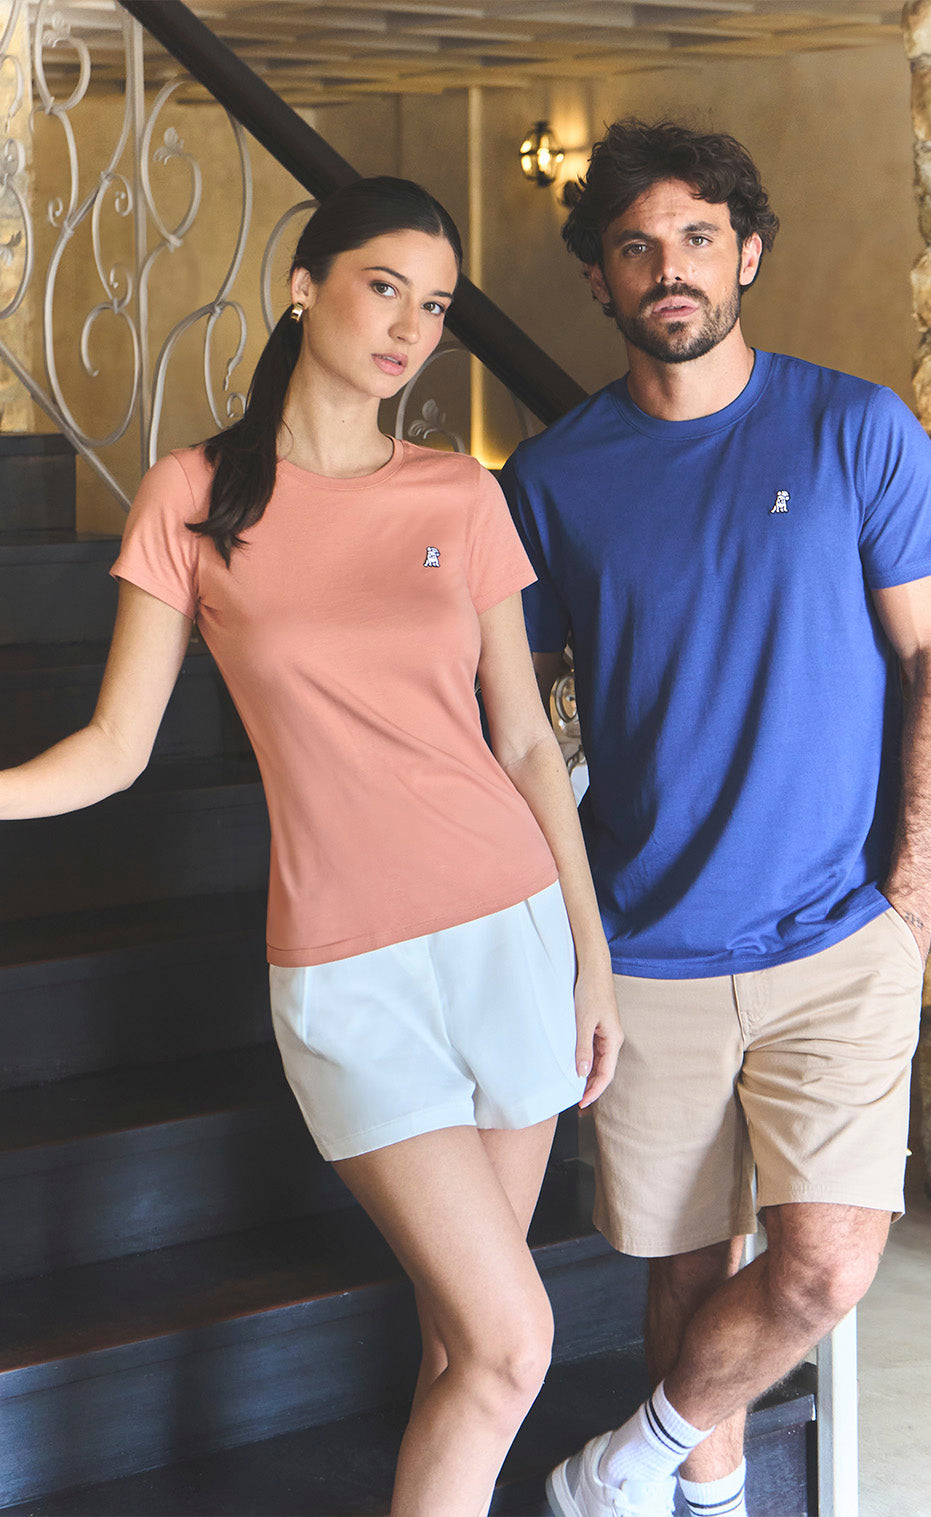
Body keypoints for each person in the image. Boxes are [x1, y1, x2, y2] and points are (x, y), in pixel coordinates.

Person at [0, 176, 623, 1517]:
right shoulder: (191, 496)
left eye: (436, 307)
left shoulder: (459, 492)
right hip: (346, 971)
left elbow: (526, 744)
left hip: (510, 930)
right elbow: (114, 746)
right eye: (383, 287)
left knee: (466, 1347)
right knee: (514, 1341)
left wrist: (591, 957)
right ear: (303, 287)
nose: (410, 328)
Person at [500, 121, 931, 1517]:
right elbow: (515, 722)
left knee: (823, 1266)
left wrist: (908, 903)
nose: (670, 268)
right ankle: (689, 1501)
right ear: (599, 277)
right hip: (646, 948)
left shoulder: (853, 430)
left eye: (698, 237)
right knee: (685, 1271)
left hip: (835, 935)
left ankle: (619, 1467)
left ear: (747, 254)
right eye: (636, 246)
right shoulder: (551, 478)